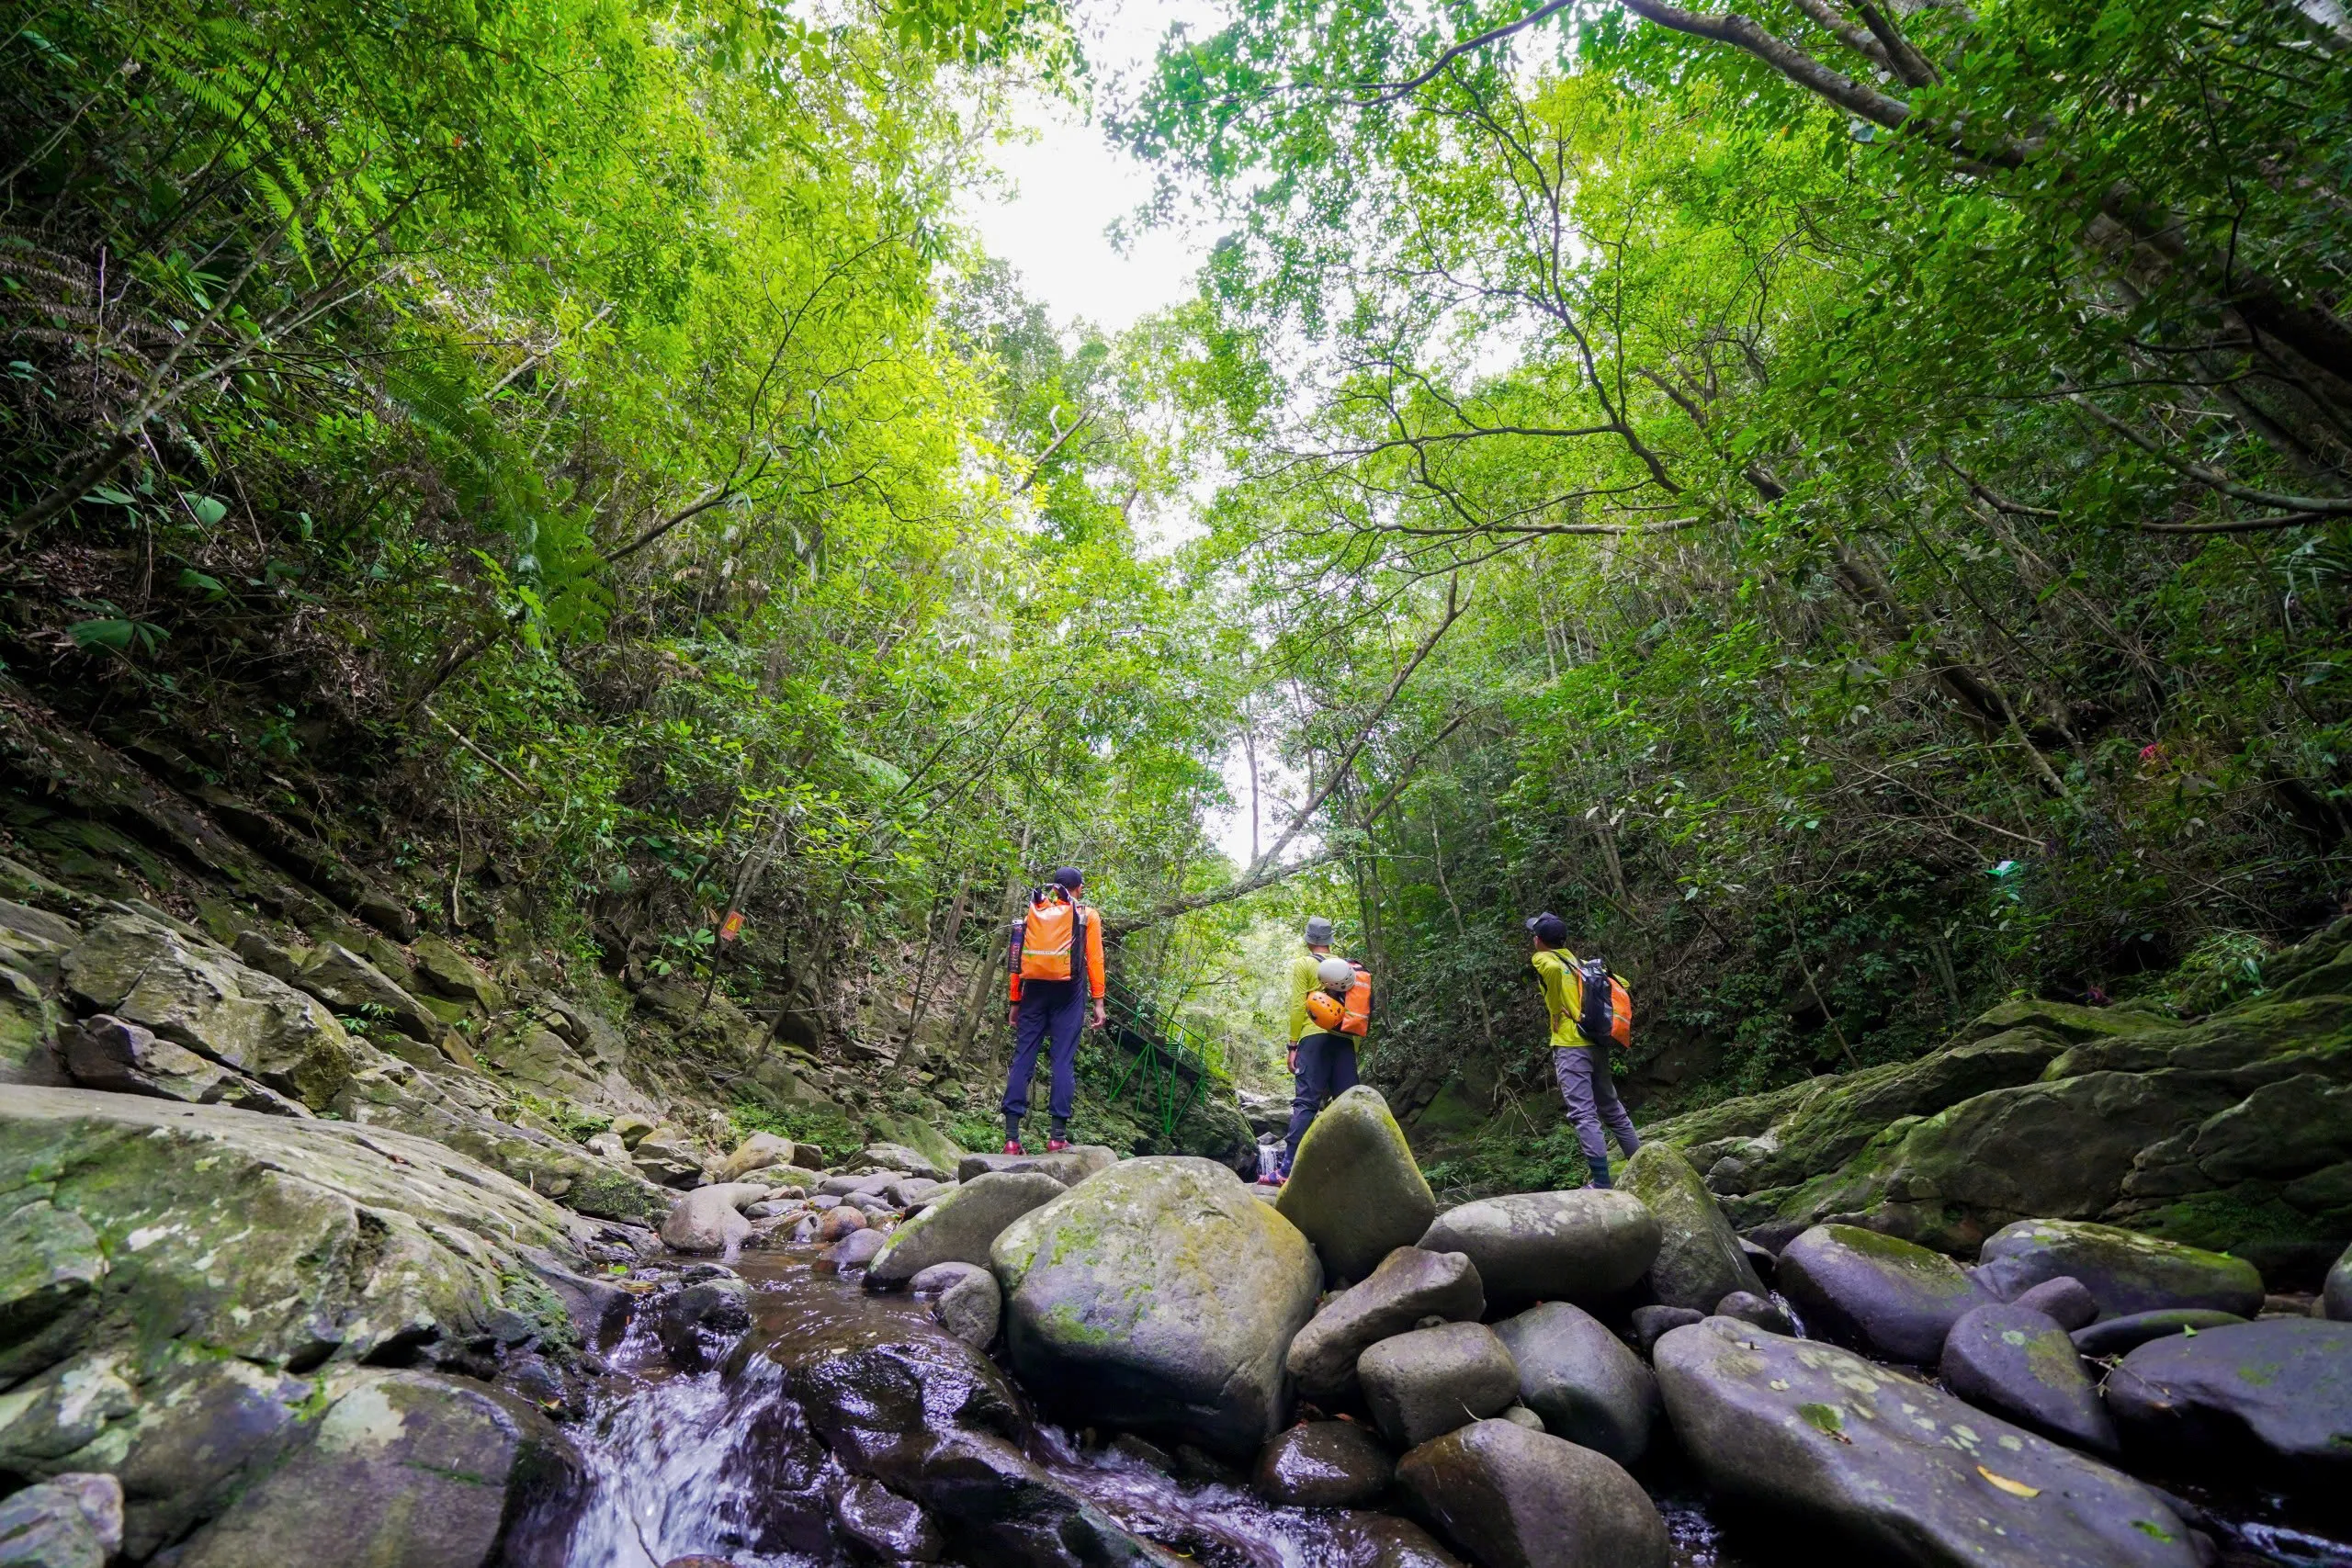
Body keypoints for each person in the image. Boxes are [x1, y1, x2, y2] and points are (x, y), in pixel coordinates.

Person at [1526, 911, 1641, 1188]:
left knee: (1583, 1113)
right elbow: (1622, 984)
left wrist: (1556, 1010)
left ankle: (1601, 1182)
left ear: (1540, 940)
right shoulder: (1584, 964)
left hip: (1570, 1044)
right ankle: (1642, 1163)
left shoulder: (1545, 959)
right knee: (1611, 1108)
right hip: (1595, 1041)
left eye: (1534, 935)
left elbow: (1551, 971)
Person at [1002, 867, 1105, 1155]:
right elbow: (1095, 960)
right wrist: (1098, 1001)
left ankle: (1011, 1139)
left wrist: (1015, 1002)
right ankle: (1056, 1137)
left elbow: (1016, 962)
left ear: (1055, 887)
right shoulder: (1087, 916)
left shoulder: (1033, 914)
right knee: (1062, 1061)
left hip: (1033, 993)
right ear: (1079, 888)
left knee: (1023, 1057)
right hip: (1070, 994)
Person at [1266, 916, 1361, 1185]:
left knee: (1306, 1103)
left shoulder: (1304, 964)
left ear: (1308, 939)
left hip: (1313, 1039)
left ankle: (1285, 1172)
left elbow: (1298, 1007)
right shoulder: (1348, 968)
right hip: (1344, 1041)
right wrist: (1352, 1046)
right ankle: (1349, 1172)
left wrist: (1292, 1045)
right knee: (1346, 1104)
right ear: (1330, 940)